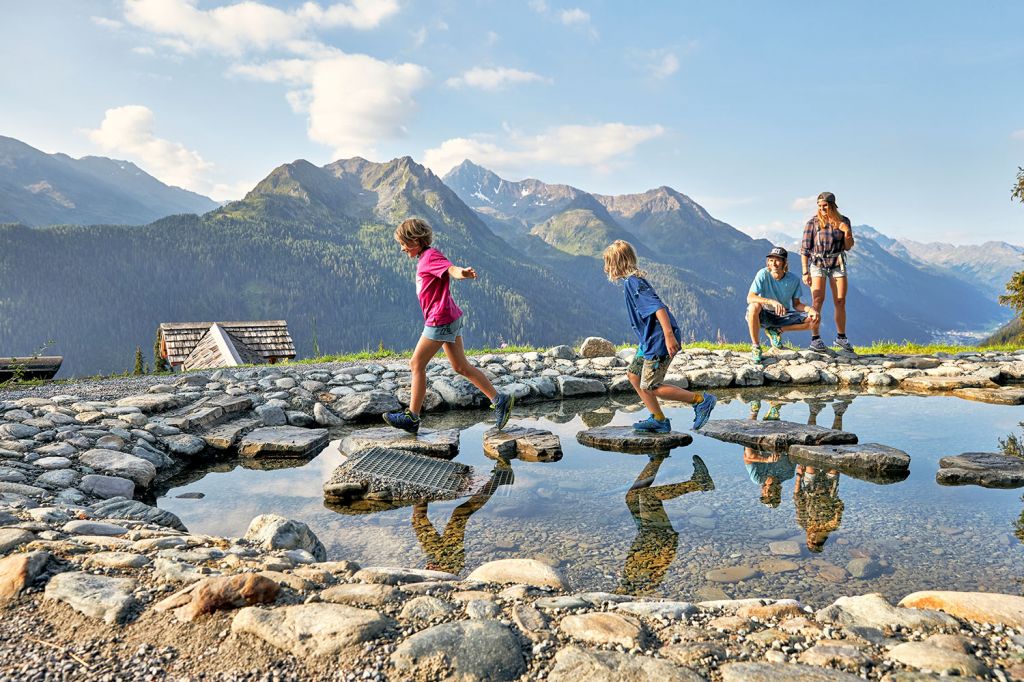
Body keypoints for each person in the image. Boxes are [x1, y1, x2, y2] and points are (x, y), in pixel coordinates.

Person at [383, 218, 513, 434]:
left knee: (416, 364)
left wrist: (463, 273)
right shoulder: (424, 257)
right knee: (460, 366)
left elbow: (451, 269)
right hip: (448, 316)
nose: (402, 248)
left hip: (440, 319)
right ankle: (500, 400)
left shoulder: (431, 257)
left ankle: (412, 417)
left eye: (403, 244)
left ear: (415, 240)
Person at [603, 240, 717, 432]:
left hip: (658, 342)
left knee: (651, 386)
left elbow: (659, 308)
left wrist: (668, 336)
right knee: (633, 375)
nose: (606, 268)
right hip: (648, 341)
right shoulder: (632, 281)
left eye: (607, 263)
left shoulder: (633, 282)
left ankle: (700, 400)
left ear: (616, 263)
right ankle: (658, 419)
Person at [800, 191, 855, 353]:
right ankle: (815, 339)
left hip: (837, 263)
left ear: (832, 205)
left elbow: (848, 246)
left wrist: (846, 232)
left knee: (840, 301)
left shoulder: (844, 221)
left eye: (825, 205)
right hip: (817, 263)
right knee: (817, 300)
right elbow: (804, 249)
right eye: (819, 206)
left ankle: (841, 338)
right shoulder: (813, 223)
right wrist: (805, 271)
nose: (822, 208)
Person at [746, 246, 820, 364]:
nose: (774, 263)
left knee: (815, 320)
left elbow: (797, 304)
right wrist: (771, 301)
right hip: (763, 314)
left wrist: (811, 309)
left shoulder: (793, 280)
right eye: (771, 260)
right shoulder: (763, 274)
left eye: (777, 260)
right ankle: (756, 347)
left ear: (784, 263)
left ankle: (777, 330)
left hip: (782, 315)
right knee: (753, 306)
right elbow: (750, 297)